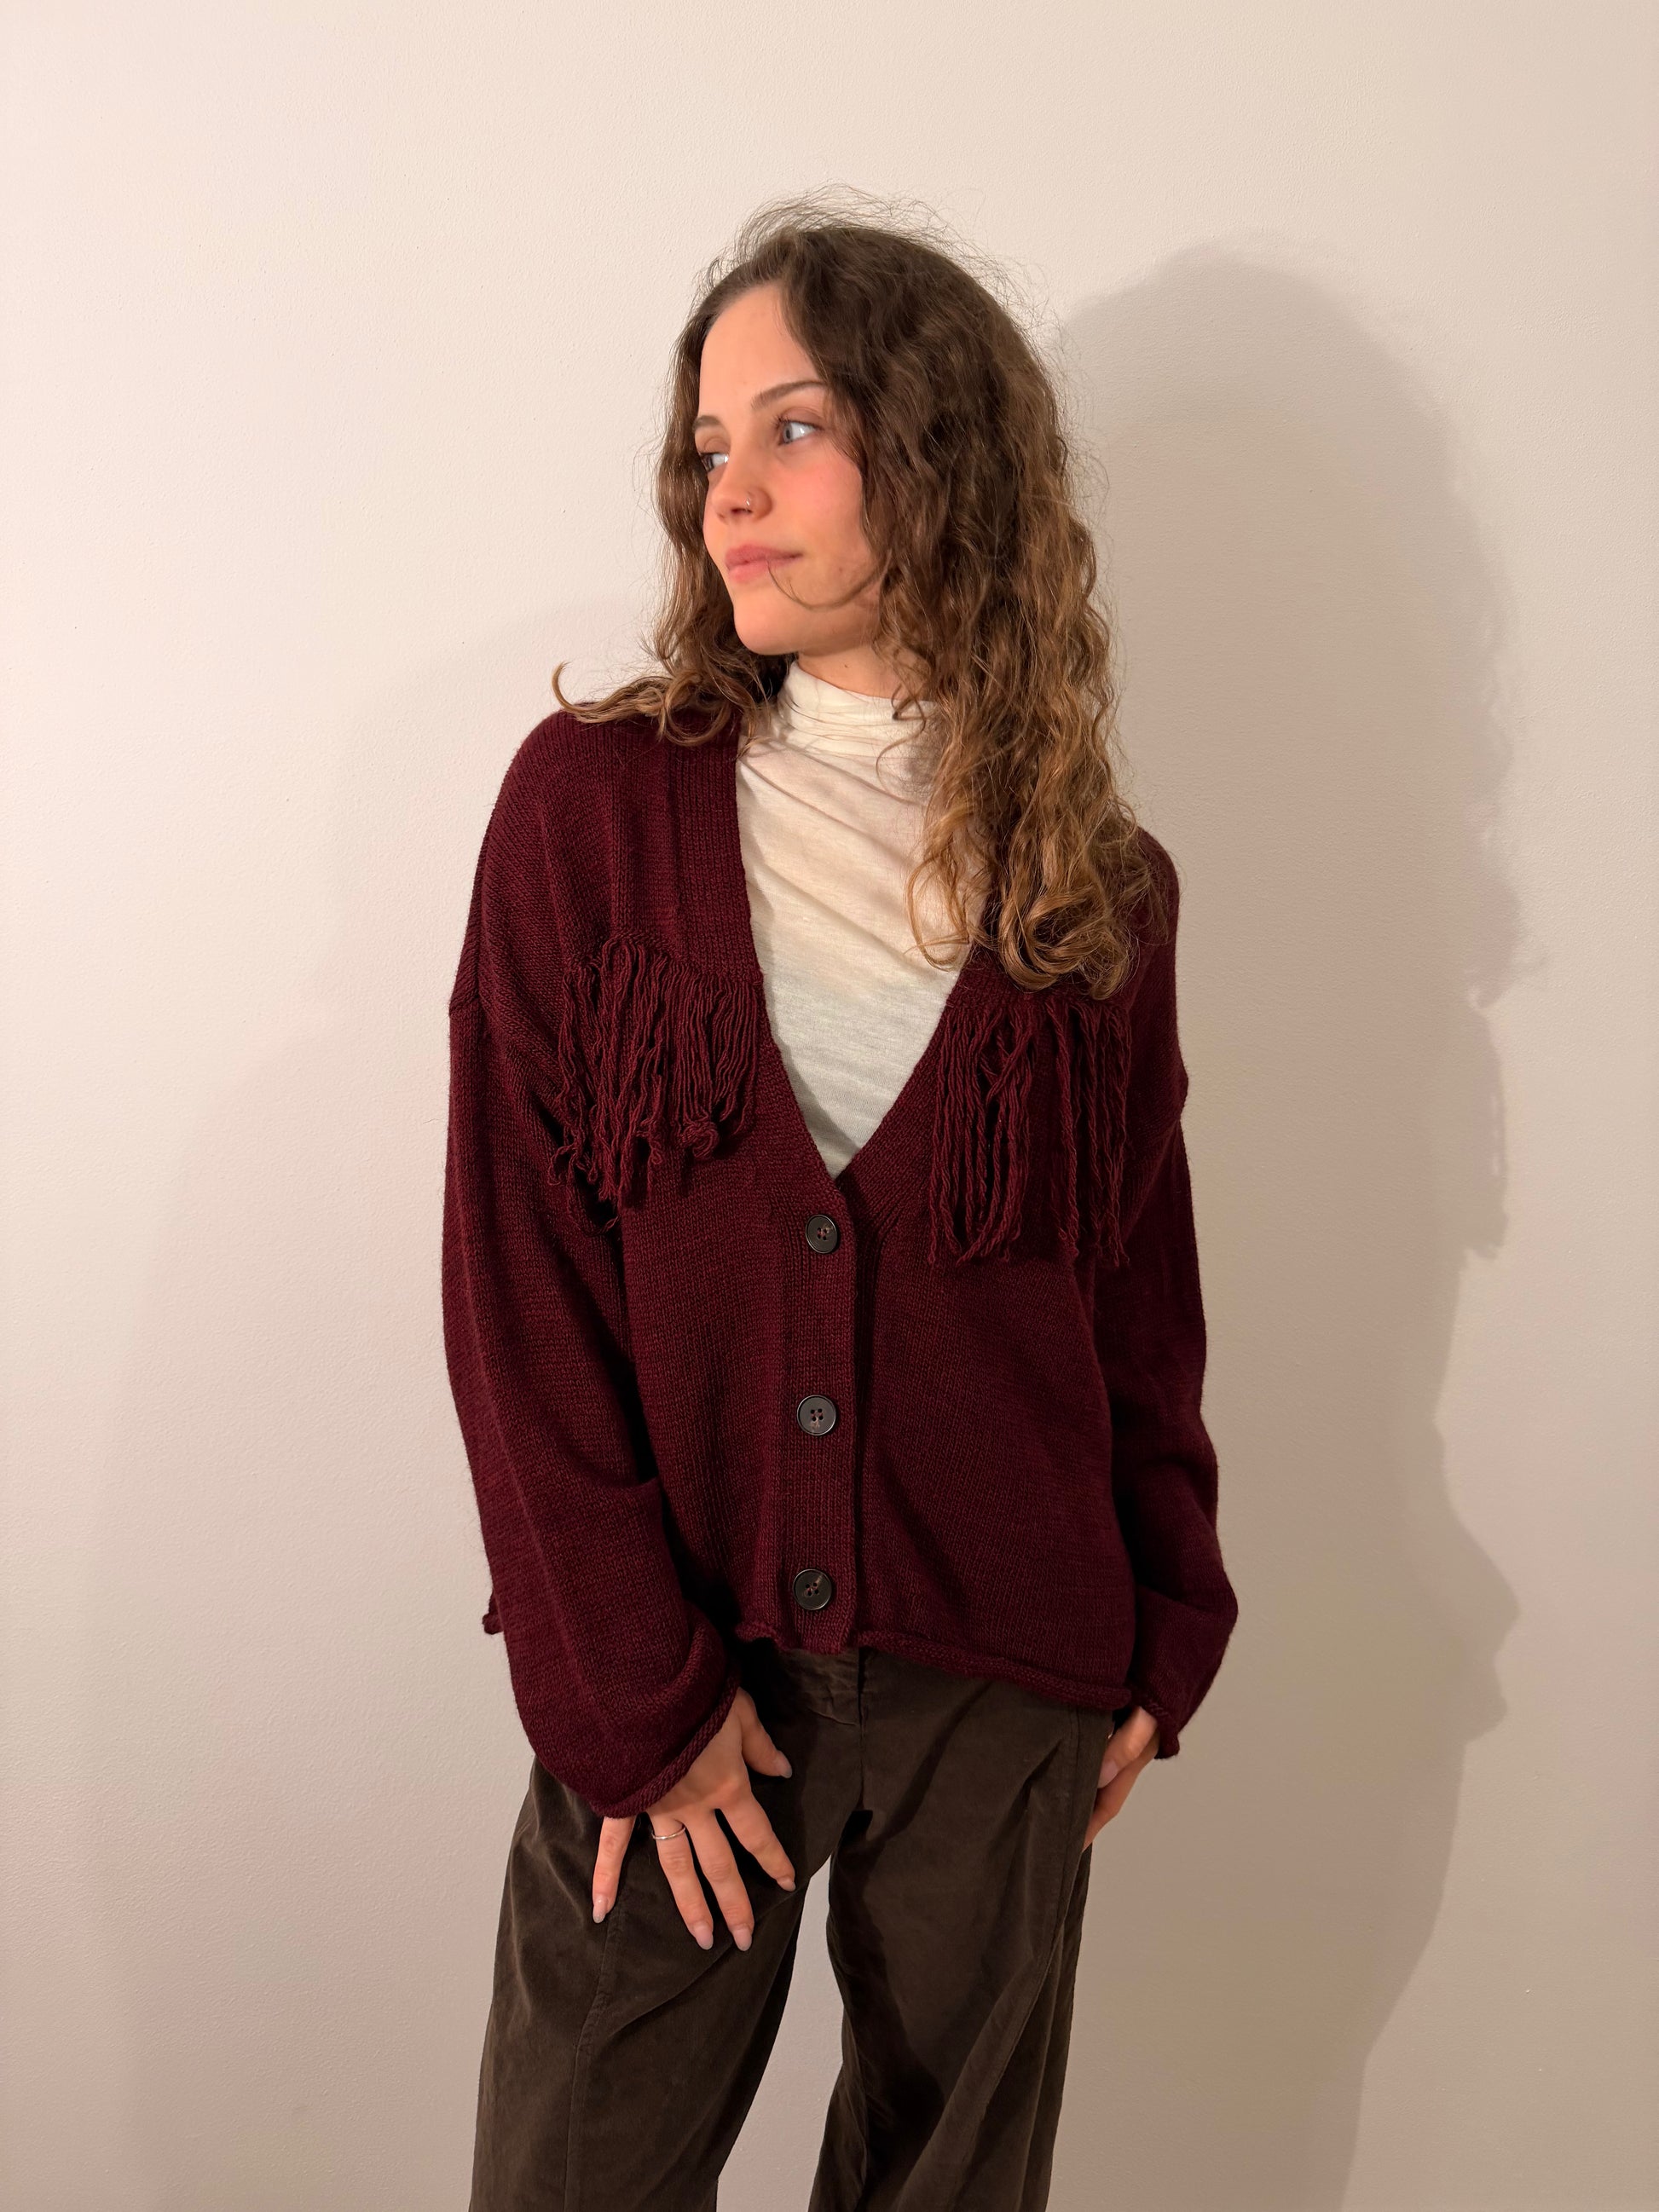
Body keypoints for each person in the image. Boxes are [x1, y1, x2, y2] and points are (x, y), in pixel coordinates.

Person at [442, 191, 1239, 2212]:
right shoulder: (590, 816)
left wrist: (1163, 1622)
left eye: (792, 429)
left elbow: (1133, 1297)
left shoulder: (1098, 895)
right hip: (674, 1664)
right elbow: (519, 1288)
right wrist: (631, 1690)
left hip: (1006, 1675)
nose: (729, 491)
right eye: (709, 445)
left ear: (937, 448)